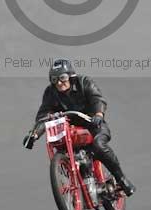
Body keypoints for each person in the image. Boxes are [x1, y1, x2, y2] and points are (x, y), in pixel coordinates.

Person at [23, 58, 136, 196]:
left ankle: (122, 179)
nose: (59, 82)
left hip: (93, 125)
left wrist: (98, 115)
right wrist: (34, 134)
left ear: (70, 76)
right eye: (54, 79)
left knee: (98, 145)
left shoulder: (84, 82)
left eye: (62, 78)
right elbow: (43, 116)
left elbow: (97, 99)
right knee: (60, 146)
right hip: (70, 129)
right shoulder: (50, 92)